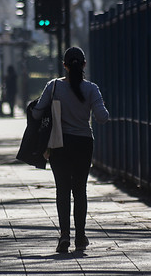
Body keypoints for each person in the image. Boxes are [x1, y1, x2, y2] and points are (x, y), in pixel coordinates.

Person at [32, 47, 109, 253]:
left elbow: (38, 113)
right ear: (84, 65)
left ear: (64, 65)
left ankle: (64, 235)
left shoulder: (54, 86)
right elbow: (102, 117)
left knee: (62, 189)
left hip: (60, 144)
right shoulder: (92, 89)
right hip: (84, 144)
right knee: (80, 189)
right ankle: (80, 236)